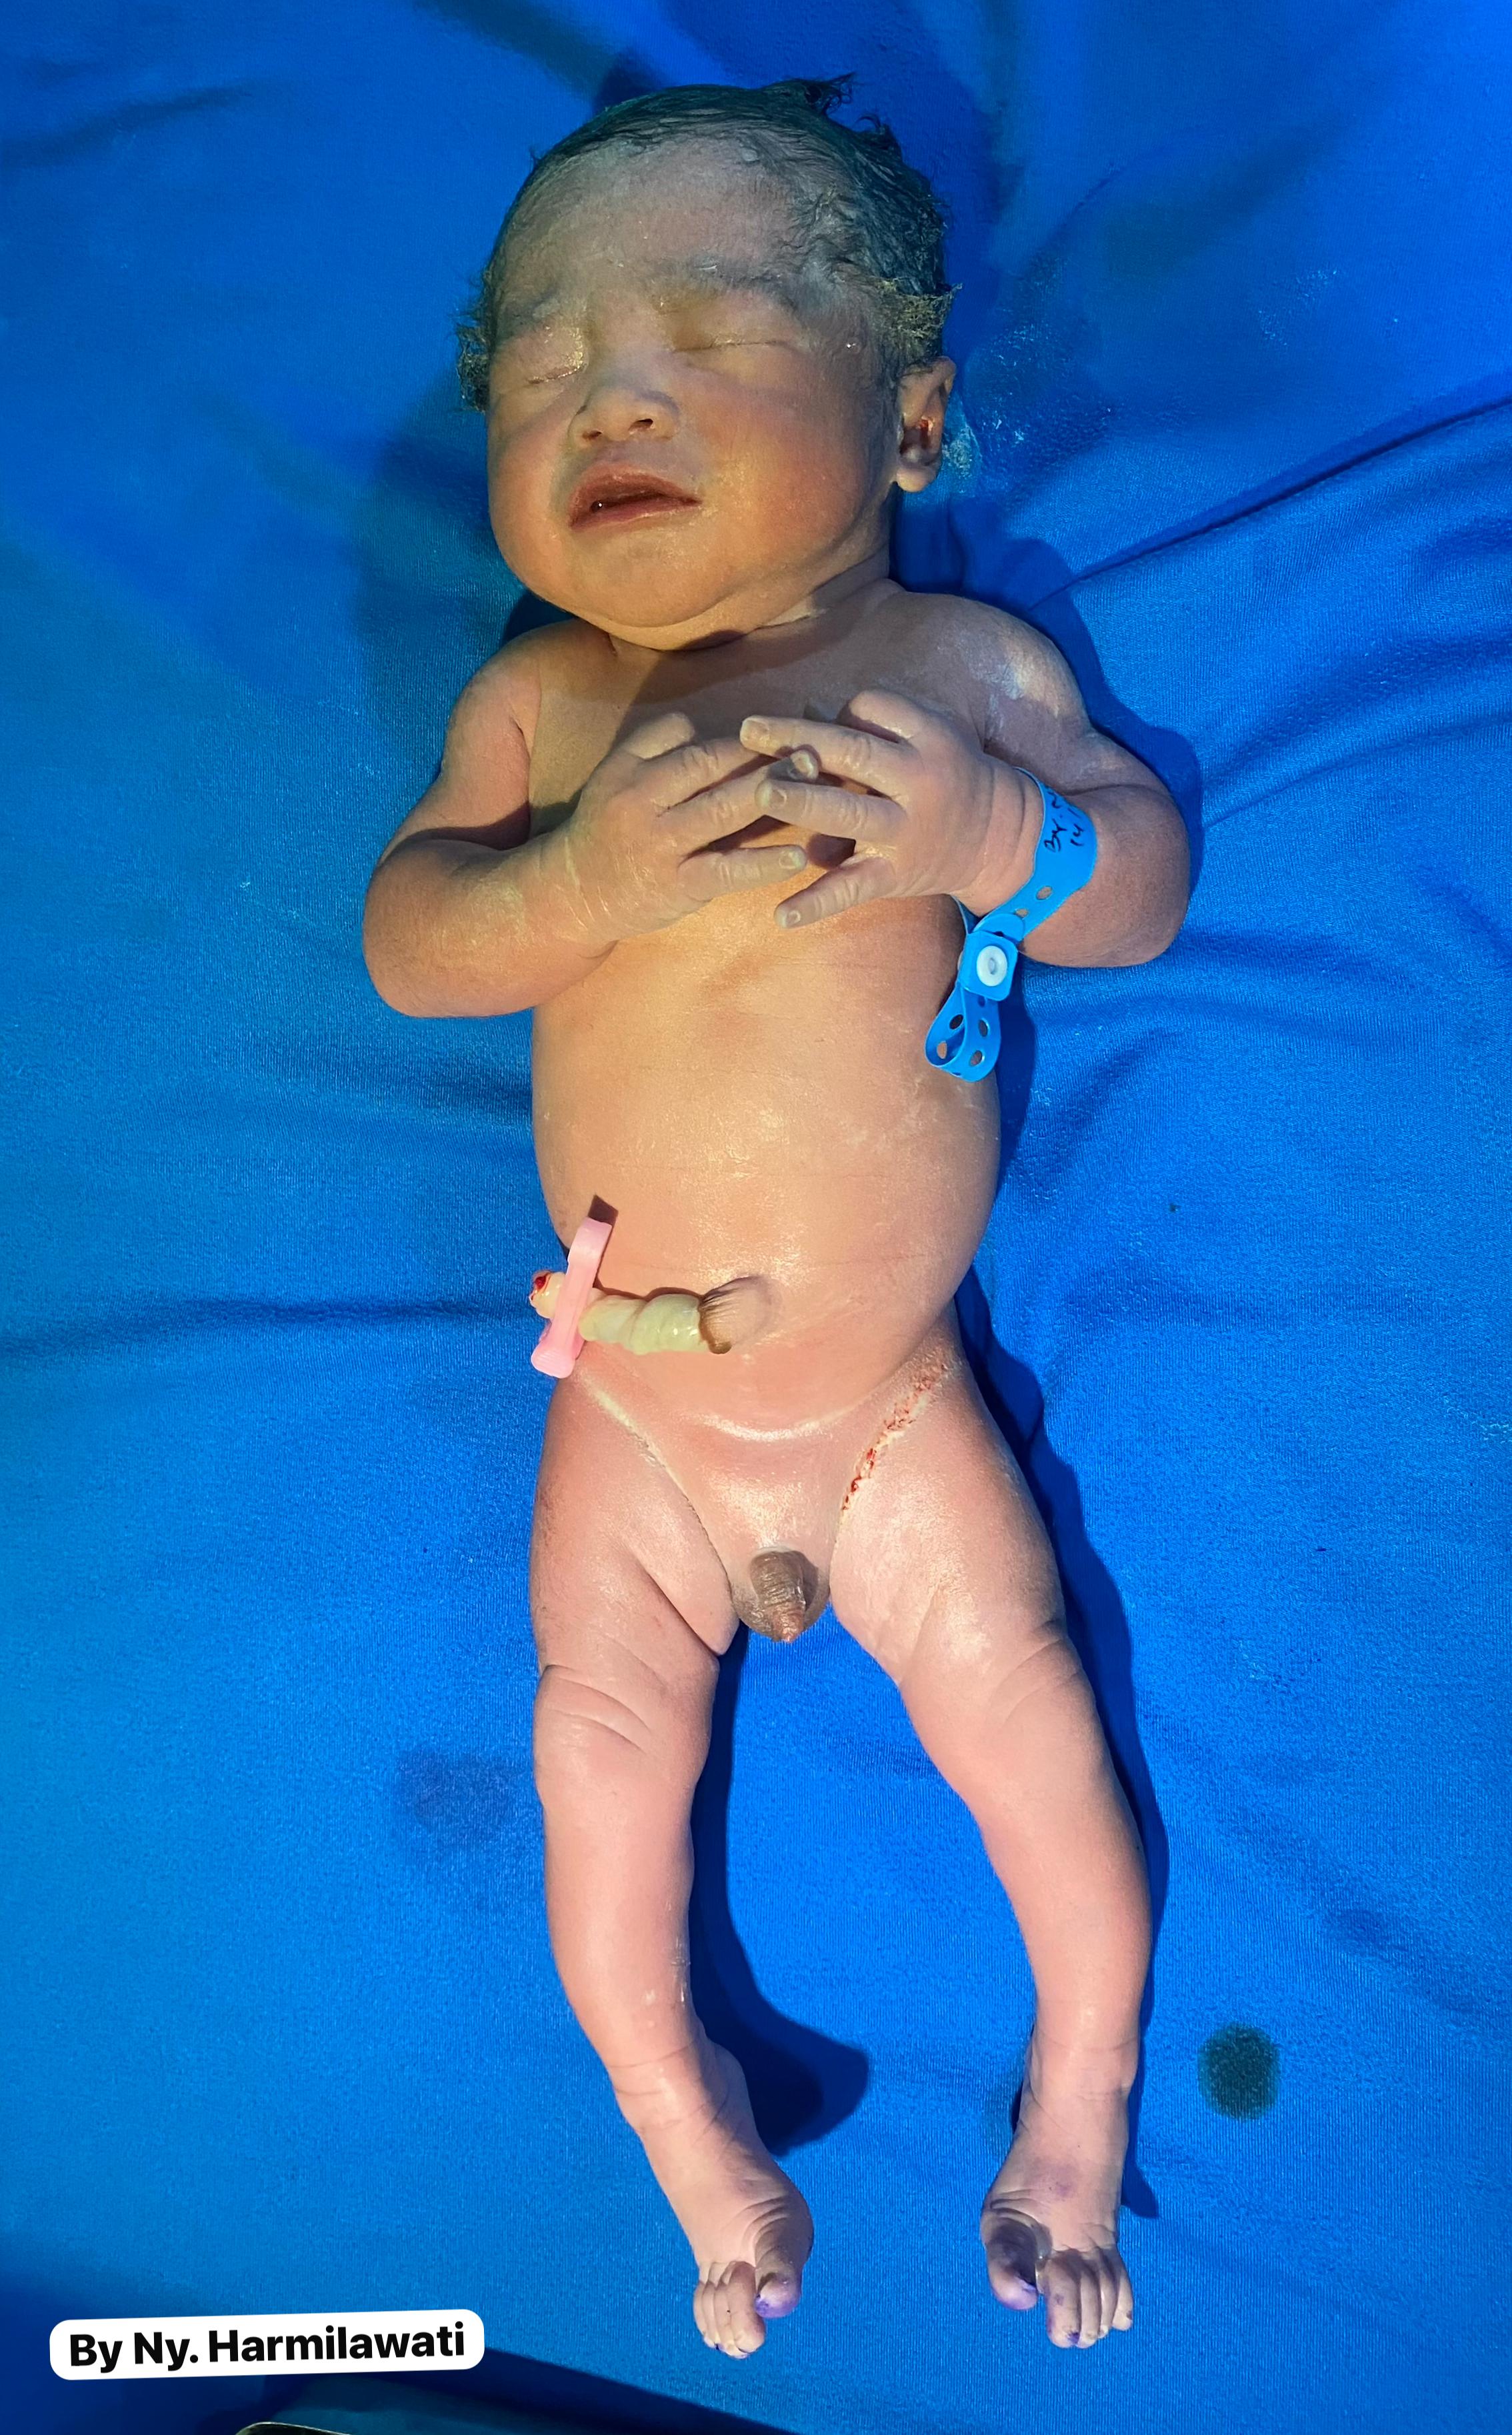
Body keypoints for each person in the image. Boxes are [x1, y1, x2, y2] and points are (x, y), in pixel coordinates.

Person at [363, 77, 1189, 2362]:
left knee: (1030, 1723)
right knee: (593, 1753)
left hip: (884, 1407)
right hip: (625, 1400)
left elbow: (1135, 886)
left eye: (706, 332)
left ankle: (1080, 2095)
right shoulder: (544, 705)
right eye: (539, 366)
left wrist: (998, 837)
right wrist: (574, 879)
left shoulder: (962, 680)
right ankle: (685, 2130)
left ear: (909, 420)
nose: (606, 395)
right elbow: (415, 941)